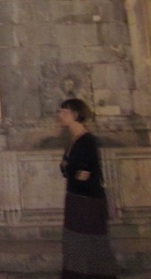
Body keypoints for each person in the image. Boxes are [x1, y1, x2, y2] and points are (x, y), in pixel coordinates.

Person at [57, 98, 118, 278]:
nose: (60, 115)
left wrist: (71, 170)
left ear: (76, 114)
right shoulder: (73, 139)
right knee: (75, 239)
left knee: (89, 240)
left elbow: (83, 172)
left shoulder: (86, 140)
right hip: (76, 196)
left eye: (64, 112)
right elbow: (67, 169)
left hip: (87, 200)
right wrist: (71, 170)